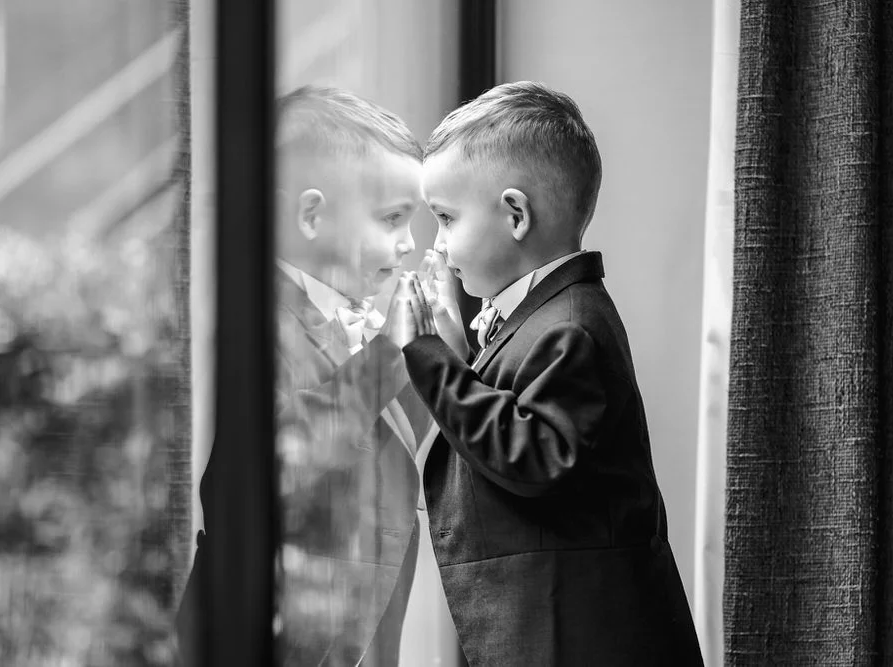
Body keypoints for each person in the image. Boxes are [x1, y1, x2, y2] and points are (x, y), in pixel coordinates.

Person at [392, 81, 704, 666]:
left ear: (515, 215)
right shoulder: (543, 318)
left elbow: (533, 455)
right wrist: (463, 361)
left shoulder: (571, 328)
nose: (436, 245)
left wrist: (430, 359)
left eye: (445, 218)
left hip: (587, 639)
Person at [176, 84, 451, 666]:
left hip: (361, 631)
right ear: (310, 216)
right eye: (392, 219)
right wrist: (386, 357)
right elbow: (275, 464)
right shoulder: (257, 324)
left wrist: (432, 354)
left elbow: (386, 438)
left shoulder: (354, 313)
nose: (408, 244)